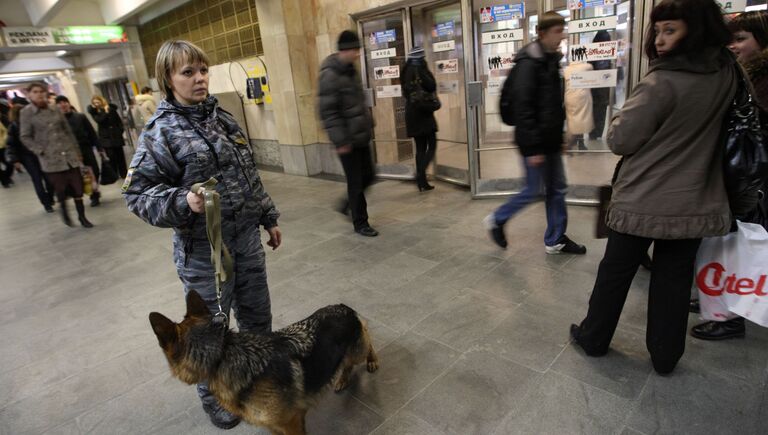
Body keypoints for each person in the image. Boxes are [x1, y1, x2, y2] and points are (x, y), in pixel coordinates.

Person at [570, 0, 737, 375]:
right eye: (657, 31)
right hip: (698, 197)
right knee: (674, 281)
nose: (660, 40)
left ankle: (594, 338)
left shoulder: (662, 81)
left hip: (643, 199)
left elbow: (621, 140)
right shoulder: (727, 74)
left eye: (670, 30)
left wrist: (618, 117)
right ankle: (666, 356)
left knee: (615, 272)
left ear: (695, 29)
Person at [123, 40, 282, 430]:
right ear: (168, 78)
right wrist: (182, 201)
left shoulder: (223, 118)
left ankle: (256, 380)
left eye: (202, 70)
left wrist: (268, 216)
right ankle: (217, 400)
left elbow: (248, 176)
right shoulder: (160, 132)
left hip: (245, 241)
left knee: (258, 319)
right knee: (208, 333)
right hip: (204, 254)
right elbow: (138, 196)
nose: (199, 79)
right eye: (187, 72)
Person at [689, 10, 768, 341]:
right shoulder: (745, 75)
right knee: (732, 240)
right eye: (731, 39)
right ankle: (723, 300)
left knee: (743, 243)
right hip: (743, 175)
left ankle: (731, 315)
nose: (733, 46)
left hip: (752, 178)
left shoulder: (761, 80)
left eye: (741, 39)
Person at [483, 11, 587, 255]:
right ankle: (497, 219)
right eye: (557, 31)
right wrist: (533, 149)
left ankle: (555, 239)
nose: (562, 36)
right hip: (534, 143)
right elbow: (523, 107)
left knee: (557, 188)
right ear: (542, 33)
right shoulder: (529, 63)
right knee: (533, 190)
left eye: (563, 30)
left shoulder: (550, 60)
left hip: (549, 140)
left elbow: (553, 105)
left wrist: (559, 136)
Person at [318, 30, 378, 237]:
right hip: (346, 140)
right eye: (355, 50)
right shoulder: (330, 75)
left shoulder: (350, 70)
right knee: (356, 182)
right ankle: (360, 222)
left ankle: (346, 204)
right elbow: (328, 111)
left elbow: (358, 102)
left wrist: (368, 122)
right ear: (346, 50)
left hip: (360, 134)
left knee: (370, 175)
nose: (358, 54)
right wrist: (340, 140)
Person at [20, 83, 93, 227]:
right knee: (61, 189)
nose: (40, 94)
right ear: (29, 94)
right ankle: (65, 212)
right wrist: (40, 150)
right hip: (51, 159)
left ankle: (82, 217)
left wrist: (77, 152)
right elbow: (25, 136)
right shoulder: (27, 113)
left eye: (42, 91)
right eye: (35, 92)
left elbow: (68, 132)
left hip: (69, 155)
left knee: (78, 187)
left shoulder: (55, 109)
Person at [5, 98, 54, 212]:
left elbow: (10, 144)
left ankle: (47, 203)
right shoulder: (27, 124)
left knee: (37, 179)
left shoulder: (13, 126)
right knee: (47, 178)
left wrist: (15, 159)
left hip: (28, 156)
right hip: (34, 154)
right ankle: (49, 199)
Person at [402, 46, 439, 192]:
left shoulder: (406, 70)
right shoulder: (420, 69)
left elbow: (406, 92)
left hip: (411, 112)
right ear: (420, 57)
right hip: (422, 113)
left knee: (420, 148)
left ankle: (422, 183)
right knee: (432, 144)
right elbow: (431, 86)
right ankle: (420, 174)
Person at [56, 96, 102, 207]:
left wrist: (99, 148)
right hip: (69, 152)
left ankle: (94, 193)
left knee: (93, 171)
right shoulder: (57, 121)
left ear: (68, 103)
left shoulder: (80, 117)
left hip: (85, 148)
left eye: (65, 102)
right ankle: (84, 194)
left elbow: (91, 133)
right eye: (60, 103)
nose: (63, 105)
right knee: (77, 175)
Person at [88, 95, 127, 178]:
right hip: (106, 138)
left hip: (116, 136)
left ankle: (124, 173)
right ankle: (115, 174)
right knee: (111, 156)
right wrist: (105, 112)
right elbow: (100, 120)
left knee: (120, 156)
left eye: (98, 102)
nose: (97, 104)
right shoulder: (95, 112)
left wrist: (120, 131)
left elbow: (118, 121)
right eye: (94, 103)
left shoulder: (111, 109)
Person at [564, 60, 594, 150]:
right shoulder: (586, 66)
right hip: (582, 96)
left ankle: (572, 141)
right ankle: (579, 143)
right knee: (582, 119)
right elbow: (591, 68)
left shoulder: (567, 69)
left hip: (570, 96)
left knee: (572, 120)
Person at [590, 30, 613, 141]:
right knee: (599, 110)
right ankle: (595, 133)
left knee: (597, 110)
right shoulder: (598, 53)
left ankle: (595, 133)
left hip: (597, 88)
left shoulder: (596, 53)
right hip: (598, 87)